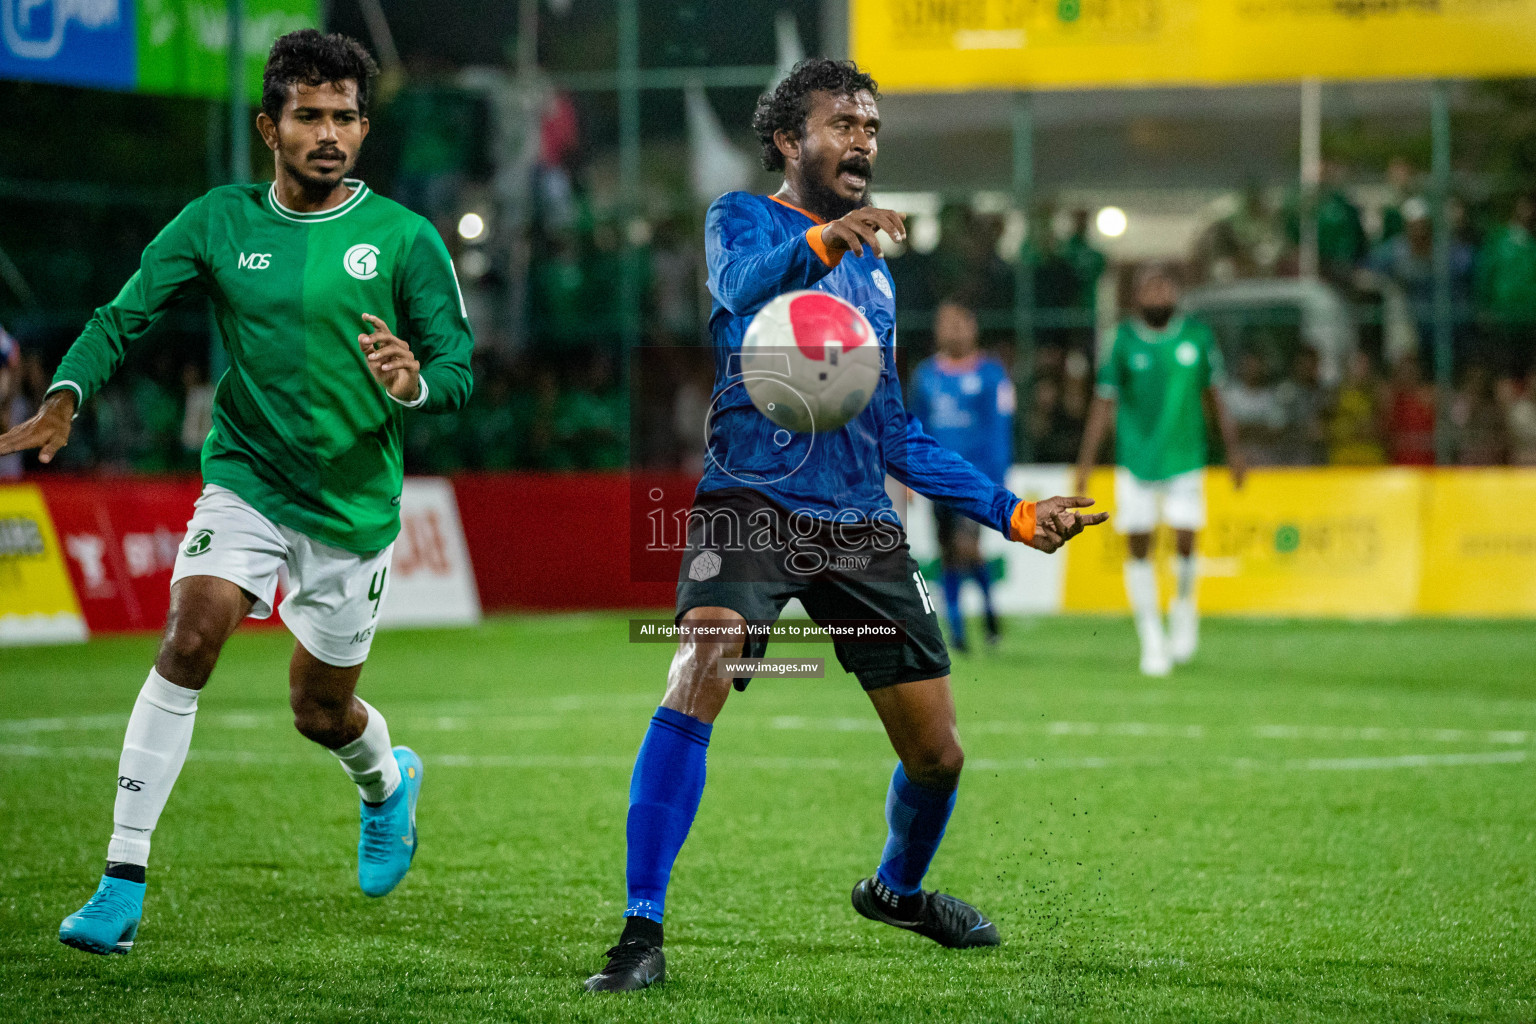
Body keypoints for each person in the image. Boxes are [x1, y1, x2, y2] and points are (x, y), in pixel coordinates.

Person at [583, 58, 1106, 993]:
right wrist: (828, 239)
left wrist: (1012, 511)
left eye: (871, 124)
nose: (864, 139)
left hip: (857, 520)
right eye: (843, 124)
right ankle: (640, 933)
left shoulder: (875, 274)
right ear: (790, 140)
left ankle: (897, 891)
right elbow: (744, 288)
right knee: (698, 662)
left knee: (938, 755)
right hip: (749, 498)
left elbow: (896, 431)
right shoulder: (741, 220)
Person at [0, 30, 474, 956]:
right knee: (190, 635)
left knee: (319, 711)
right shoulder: (217, 221)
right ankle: (121, 877)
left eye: (345, 117)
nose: (328, 133)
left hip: (354, 507)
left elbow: (457, 367)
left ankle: (386, 784)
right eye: (309, 116)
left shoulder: (406, 240)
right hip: (247, 482)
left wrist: (413, 381)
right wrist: (64, 396)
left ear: (364, 129)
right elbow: (122, 314)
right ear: (270, 126)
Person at [1075, 266, 1245, 677]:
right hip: (1136, 461)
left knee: (1186, 540)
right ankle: (1151, 637)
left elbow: (1214, 395)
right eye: (1149, 289)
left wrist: (1233, 451)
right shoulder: (1122, 341)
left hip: (1186, 456)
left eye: (1164, 288)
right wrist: (1086, 460)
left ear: (1176, 295)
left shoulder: (1198, 337)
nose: (1157, 295)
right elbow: (1104, 401)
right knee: (1138, 545)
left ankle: (1184, 607)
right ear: (1137, 298)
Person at [908, 299, 1015, 651]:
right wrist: (910, 475)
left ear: (973, 328)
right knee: (948, 552)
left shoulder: (991, 374)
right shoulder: (926, 375)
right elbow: (913, 428)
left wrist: (996, 482)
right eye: (945, 323)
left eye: (959, 322)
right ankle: (962, 629)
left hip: (976, 480)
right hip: (937, 479)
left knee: (966, 547)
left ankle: (984, 619)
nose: (952, 330)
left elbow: (1000, 430)